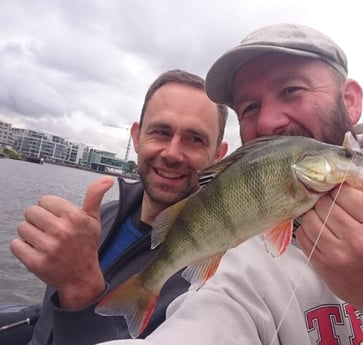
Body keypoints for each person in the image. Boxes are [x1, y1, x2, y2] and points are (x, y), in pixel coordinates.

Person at [102, 23, 363, 345]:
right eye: (249, 106)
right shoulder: (244, 264)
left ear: (350, 101)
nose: (268, 122)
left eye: (291, 89)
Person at [5, 69, 228, 345]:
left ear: (219, 155)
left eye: (195, 139)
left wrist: (80, 288)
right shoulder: (99, 220)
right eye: (160, 132)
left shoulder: (219, 277)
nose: (171, 153)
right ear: (136, 136)